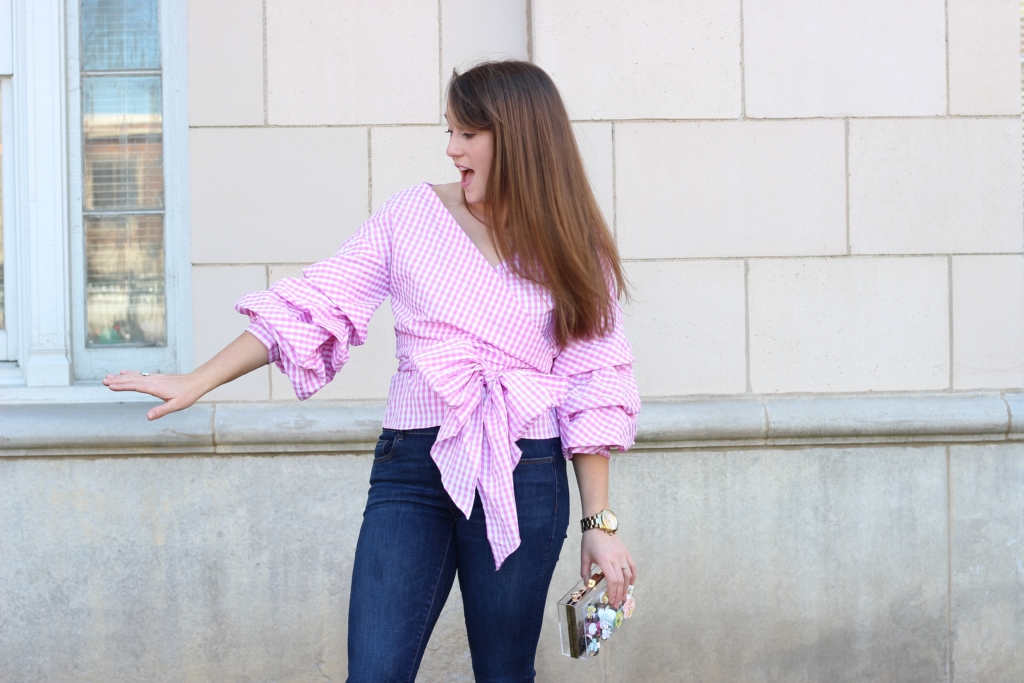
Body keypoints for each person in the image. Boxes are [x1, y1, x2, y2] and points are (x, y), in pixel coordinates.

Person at [105, 60, 640, 682]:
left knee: (504, 672)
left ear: (517, 137)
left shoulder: (574, 245)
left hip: (525, 472)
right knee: (375, 672)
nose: (451, 149)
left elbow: (593, 386)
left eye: (467, 134)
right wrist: (198, 380)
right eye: (449, 131)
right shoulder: (410, 216)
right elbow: (317, 302)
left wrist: (599, 523)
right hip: (412, 471)